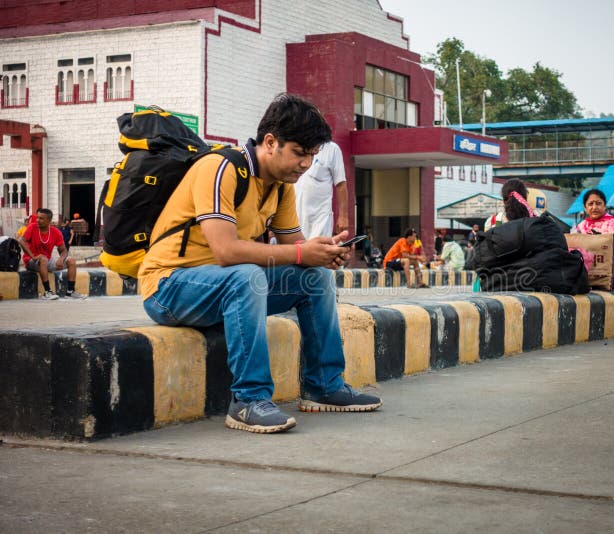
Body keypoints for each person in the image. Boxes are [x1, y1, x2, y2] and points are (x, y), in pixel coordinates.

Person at [138, 93, 381, 435]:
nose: (306, 165)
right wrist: (301, 253)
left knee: (315, 278)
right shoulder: (219, 169)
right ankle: (248, 400)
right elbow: (225, 251)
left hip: (222, 287)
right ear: (270, 142)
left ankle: (324, 385)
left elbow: (295, 248)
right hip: (169, 287)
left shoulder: (281, 188)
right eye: (299, 153)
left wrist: (323, 252)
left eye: (312, 156)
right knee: (246, 276)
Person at [18, 208, 86, 300]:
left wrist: (61, 259)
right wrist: (33, 256)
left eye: (41, 218)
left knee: (71, 261)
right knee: (43, 259)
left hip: (46, 261)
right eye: (37, 217)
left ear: (49, 220)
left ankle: (70, 292)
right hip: (31, 261)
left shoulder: (55, 232)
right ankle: (47, 292)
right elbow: (21, 241)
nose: (38, 220)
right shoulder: (32, 227)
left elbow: (64, 250)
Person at [294, 140, 348, 238]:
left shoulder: (332, 149)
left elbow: (341, 184)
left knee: (320, 251)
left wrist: (343, 216)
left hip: (320, 219)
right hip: (295, 216)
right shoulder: (295, 145)